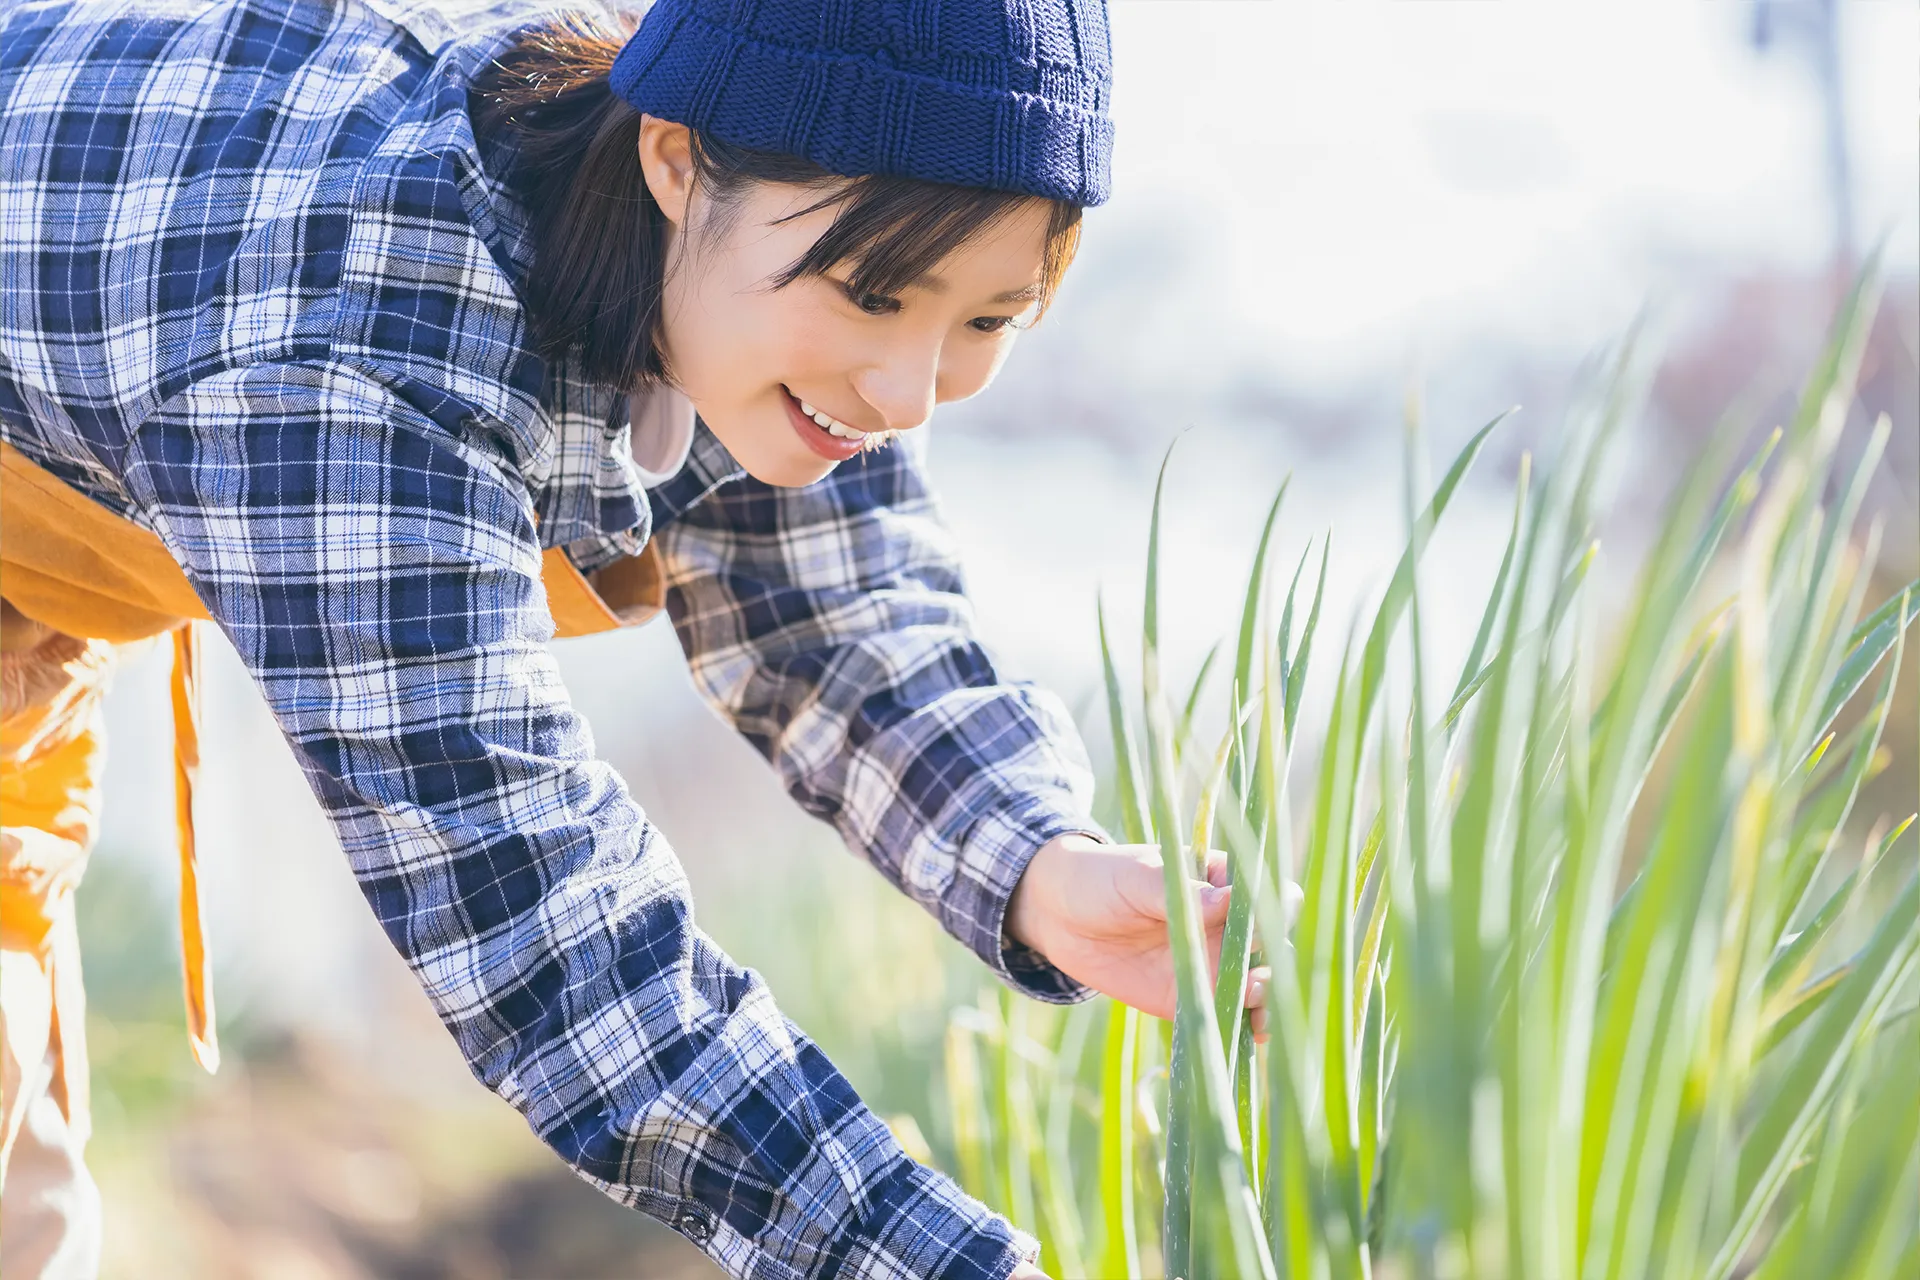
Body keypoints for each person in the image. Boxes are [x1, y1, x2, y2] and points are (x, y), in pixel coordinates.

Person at [0, 0, 1265, 1275]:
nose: (907, 390)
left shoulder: (720, 251)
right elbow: (554, 945)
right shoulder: (360, 365)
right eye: (878, 292)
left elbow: (840, 619)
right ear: (674, 159)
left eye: (986, 319)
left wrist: (1039, 862)